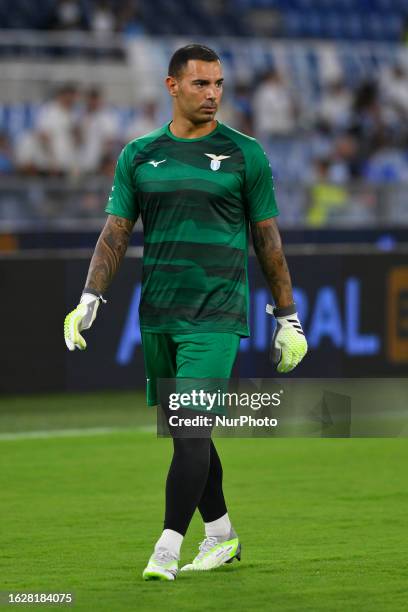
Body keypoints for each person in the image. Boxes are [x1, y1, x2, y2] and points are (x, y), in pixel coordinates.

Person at [64, 44, 307, 581]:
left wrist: (286, 315)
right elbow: (116, 231)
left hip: (216, 316)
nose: (213, 94)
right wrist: (90, 297)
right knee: (187, 432)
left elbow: (268, 239)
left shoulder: (246, 153)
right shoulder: (139, 154)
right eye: (201, 84)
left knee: (192, 426)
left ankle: (167, 546)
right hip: (159, 316)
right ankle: (221, 535)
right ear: (172, 86)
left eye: (219, 84)